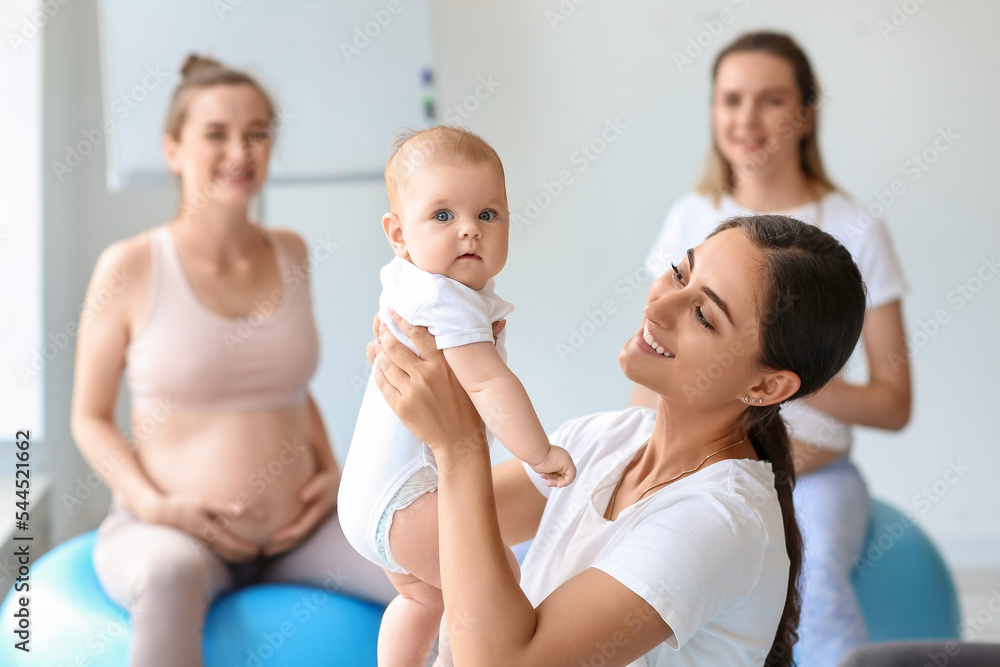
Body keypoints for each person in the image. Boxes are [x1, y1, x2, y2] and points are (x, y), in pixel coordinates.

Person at [371, 214, 868, 666]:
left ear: (765, 386)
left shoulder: (719, 520)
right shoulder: (605, 440)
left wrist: (459, 447)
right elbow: (422, 534)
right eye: (679, 273)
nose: (659, 307)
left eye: (703, 316)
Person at [70, 55, 395, 667]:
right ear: (172, 149)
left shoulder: (292, 252)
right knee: (167, 575)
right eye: (215, 134)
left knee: (427, 567)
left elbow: (289, 391)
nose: (239, 151)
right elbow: (88, 418)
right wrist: (156, 507)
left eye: (257, 133)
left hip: (299, 530)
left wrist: (334, 476)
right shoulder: (129, 266)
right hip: (173, 533)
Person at [633, 32, 912, 666]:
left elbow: (894, 403)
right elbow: (653, 364)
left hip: (815, 478)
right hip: (700, 469)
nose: (746, 119)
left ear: (807, 113)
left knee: (811, 598)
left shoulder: (856, 230)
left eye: (771, 100)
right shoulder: (690, 216)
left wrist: (780, 373)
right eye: (731, 100)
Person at [337, 126, 576, 666]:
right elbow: (488, 383)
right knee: (499, 578)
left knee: (426, 597)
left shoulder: (412, 283)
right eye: (443, 216)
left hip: (370, 498)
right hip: (403, 503)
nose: (469, 230)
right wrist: (540, 455)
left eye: (488, 215)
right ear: (398, 234)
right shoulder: (445, 300)